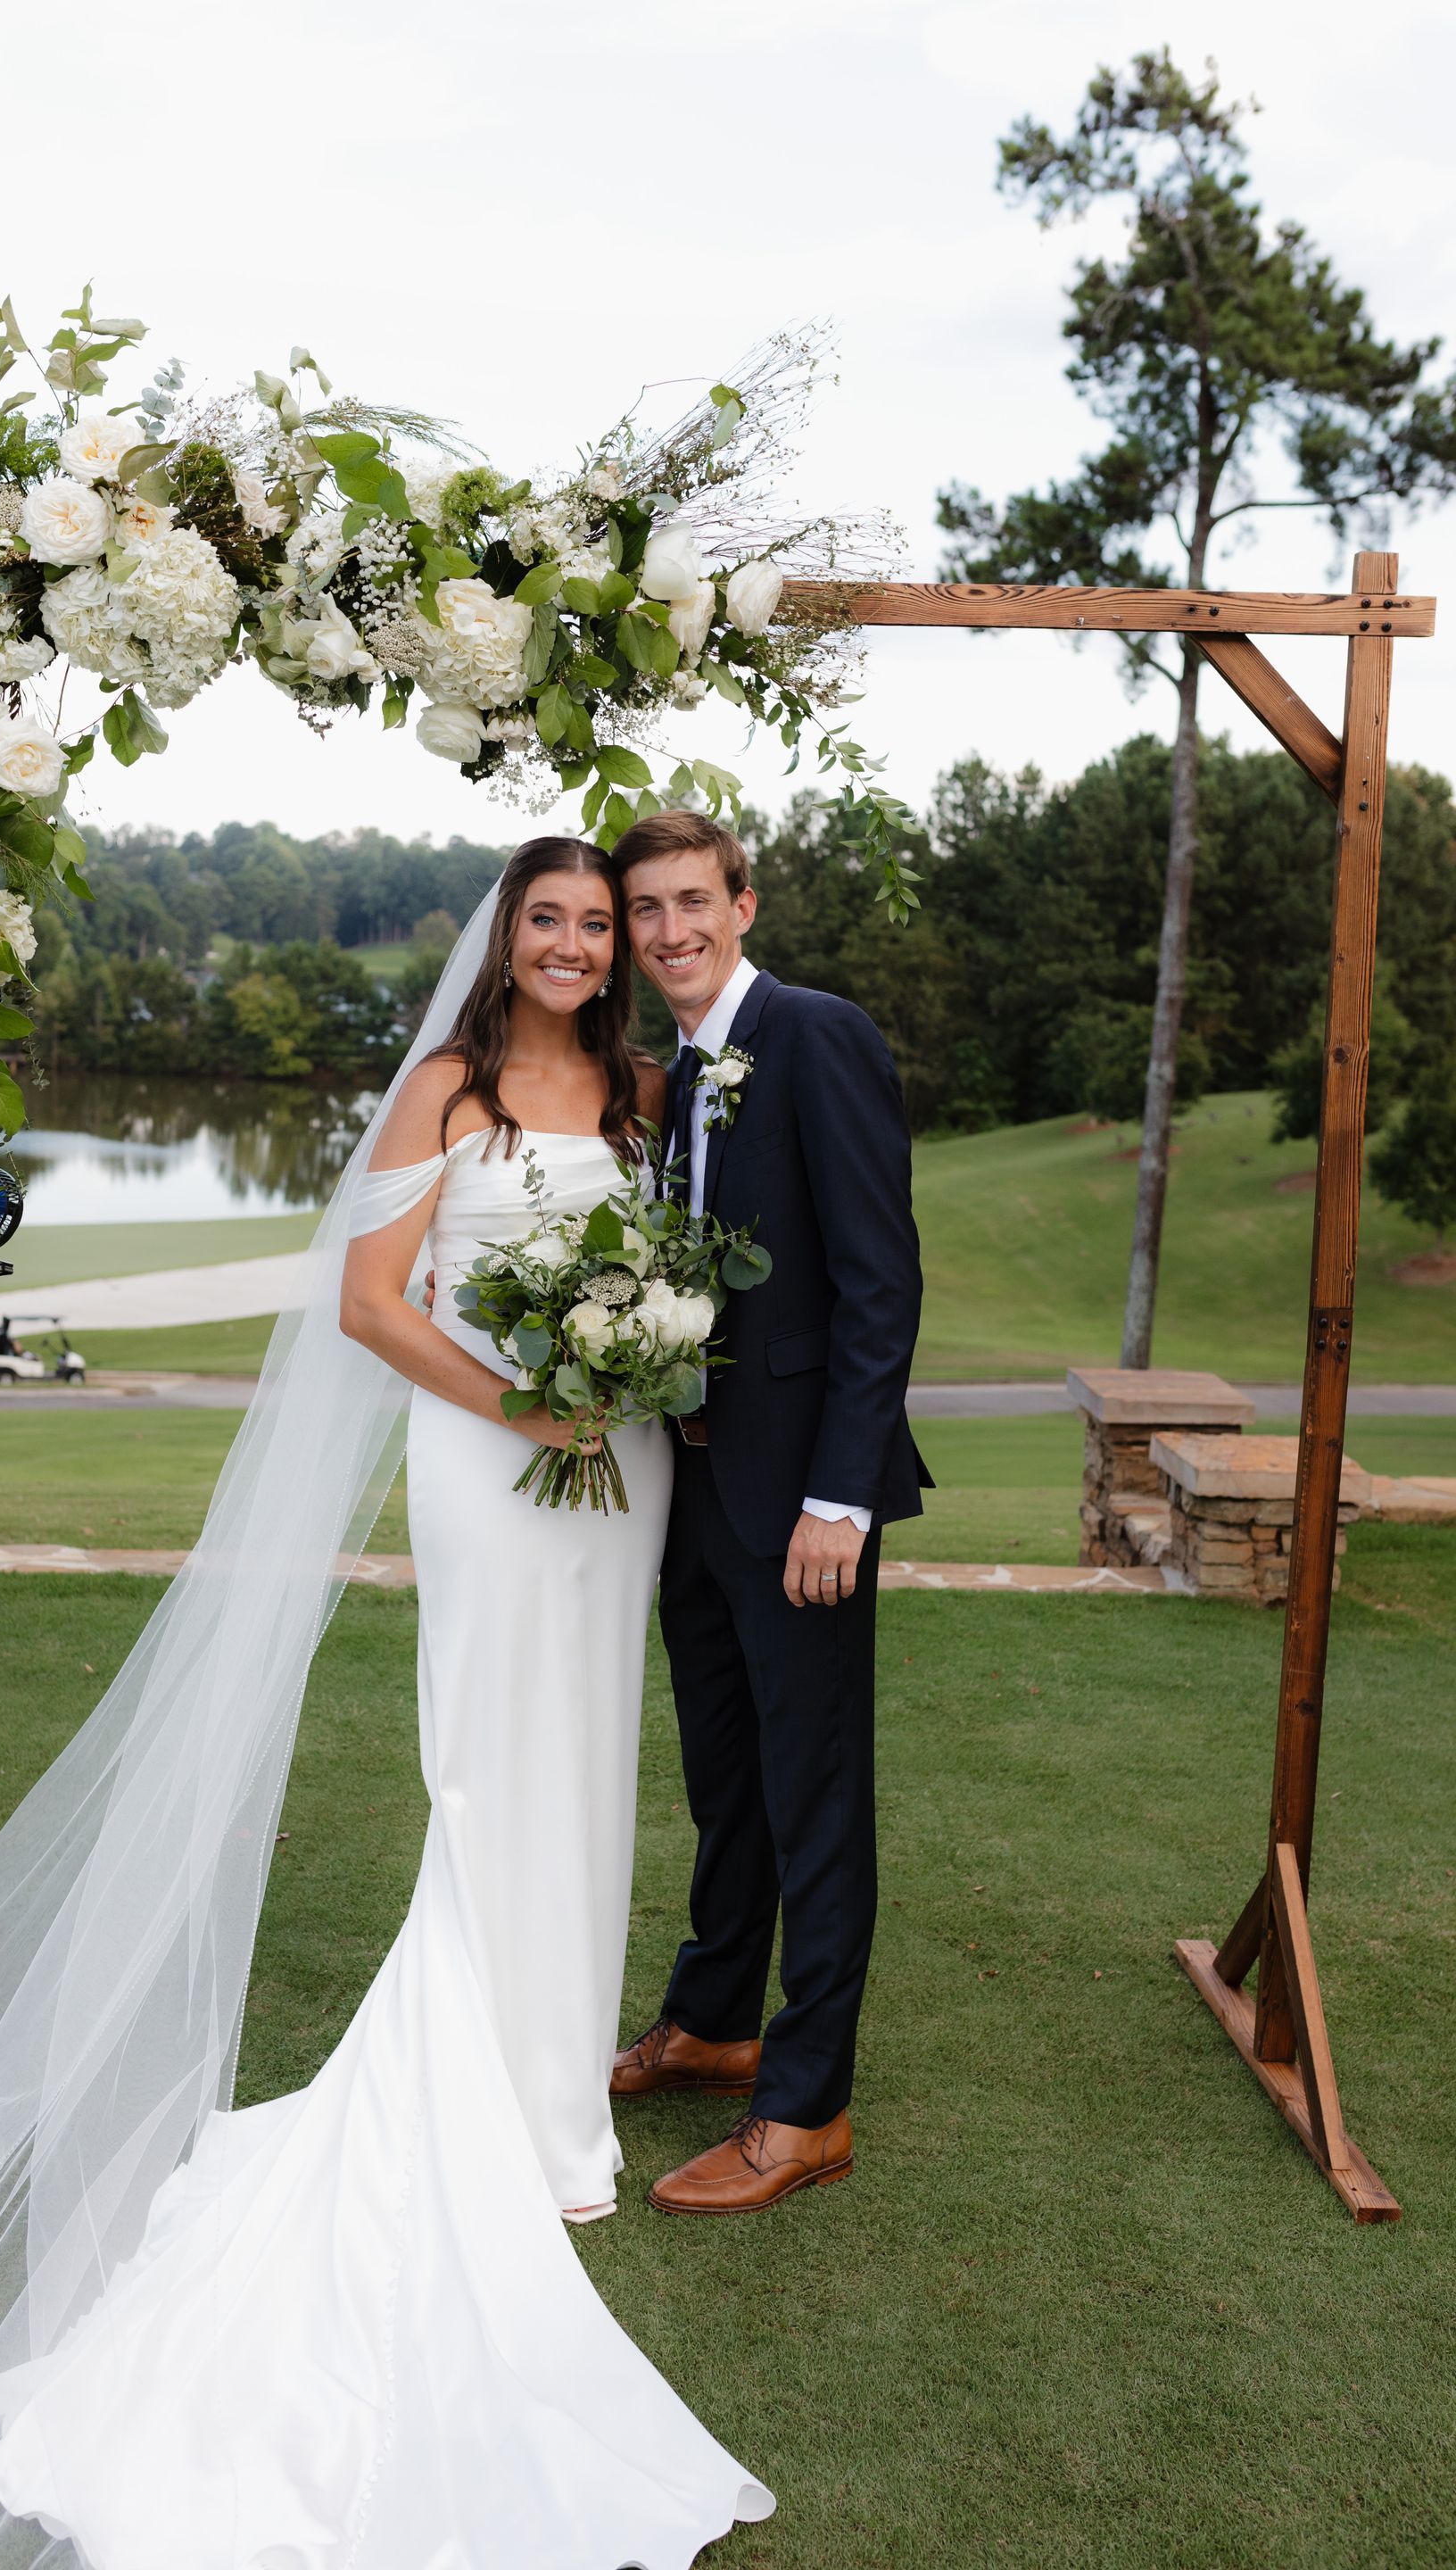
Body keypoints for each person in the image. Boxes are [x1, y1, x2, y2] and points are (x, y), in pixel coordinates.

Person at [0, 843, 773, 2567]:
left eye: (604, 924)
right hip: (490, 1462)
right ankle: (476, 2096)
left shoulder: (645, 1088)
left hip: (627, 1466)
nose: (585, 945)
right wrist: (525, 1409)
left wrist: (624, 1377)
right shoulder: (446, 1087)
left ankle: (554, 2105)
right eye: (556, 919)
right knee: (487, 1769)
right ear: (507, 938)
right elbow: (372, 1306)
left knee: (593, 1770)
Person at [608, 808, 928, 2216]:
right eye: (644, 913)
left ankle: (807, 2107)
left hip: (802, 1501)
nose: (669, 932)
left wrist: (840, 1499)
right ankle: (716, 2019)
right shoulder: (677, 1074)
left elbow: (879, 1285)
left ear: (744, 903)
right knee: (724, 1779)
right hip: (693, 1489)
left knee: (812, 1796)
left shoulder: (814, 1033)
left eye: (693, 902)